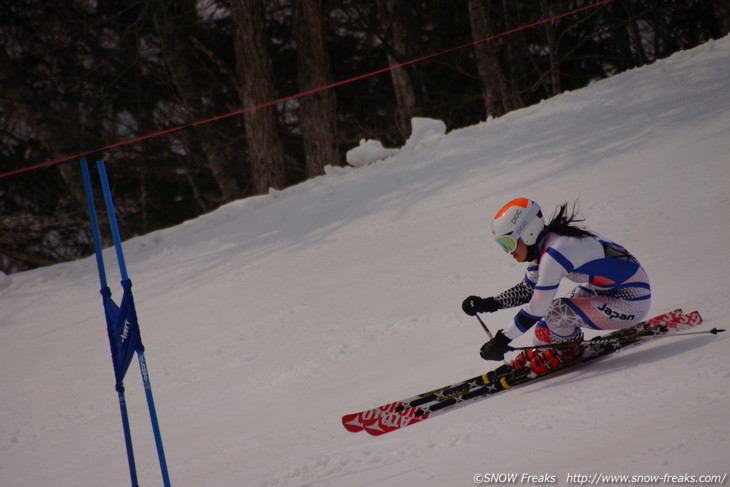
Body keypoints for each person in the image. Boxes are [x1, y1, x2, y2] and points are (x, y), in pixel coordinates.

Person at [462, 198, 651, 375]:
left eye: (509, 243)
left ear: (527, 233)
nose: (508, 252)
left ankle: (569, 353)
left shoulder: (556, 252)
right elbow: (527, 290)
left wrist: (502, 340)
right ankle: (556, 350)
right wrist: (487, 304)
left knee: (557, 313)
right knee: (542, 333)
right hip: (607, 291)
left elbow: (537, 307)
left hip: (632, 301)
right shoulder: (550, 242)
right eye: (503, 245)